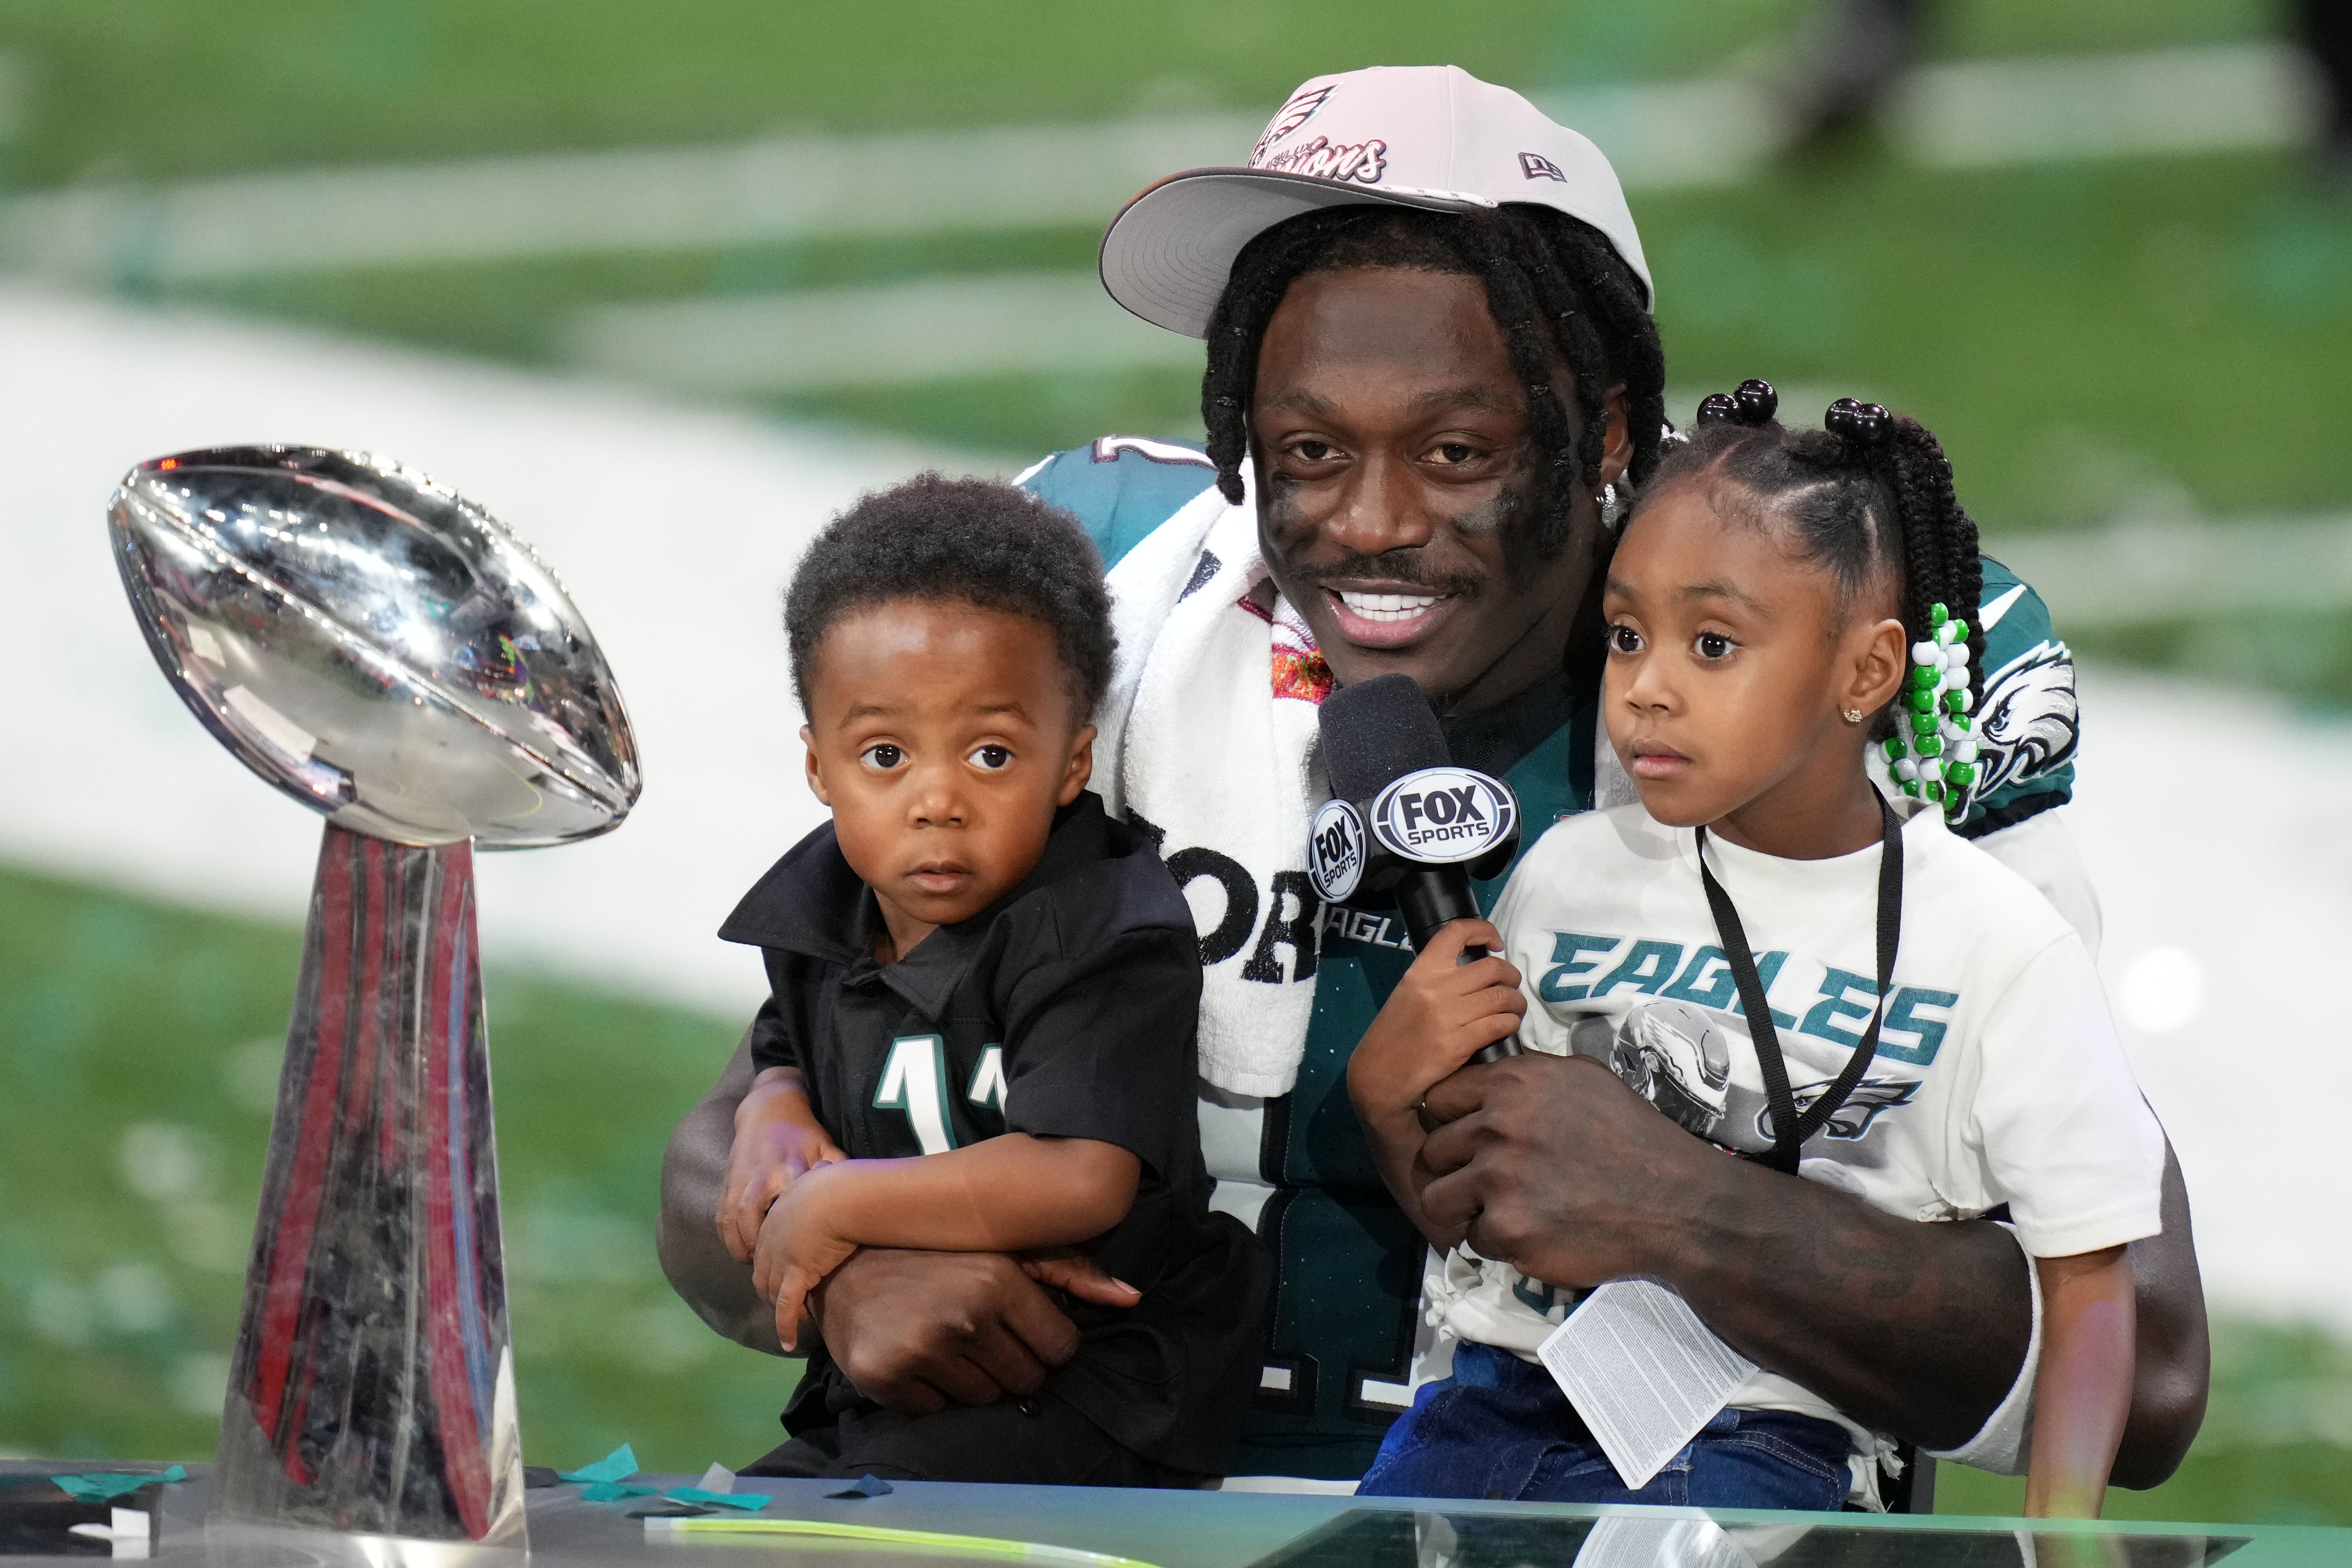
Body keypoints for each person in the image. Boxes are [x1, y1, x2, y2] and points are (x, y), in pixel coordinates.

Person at [660, 65, 2207, 1495]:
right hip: (1109, 1487)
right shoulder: (1104, 590)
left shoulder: (1847, 646)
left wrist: (1698, 1215)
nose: (1372, 524)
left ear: (1604, 431)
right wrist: (833, 1262)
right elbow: (729, 1147)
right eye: (1309, 452)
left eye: (1458, 453)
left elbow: (2147, 1373)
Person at [1347, 383, 2161, 1513]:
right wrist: (1388, 1100)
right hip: (1491, 1407)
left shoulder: (1997, 939)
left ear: (1865, 673)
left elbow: (2090, 1282)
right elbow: (1475, 1215)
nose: (1646, 689)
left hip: (1765, 1438)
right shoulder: (1568, 872)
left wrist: (2060, 1536)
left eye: (1713, 644)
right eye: (1625, 636)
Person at [710, 474, 1270, 1485]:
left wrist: (837, 1201)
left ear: (1072, 764)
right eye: (886, 753)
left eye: (992, 753)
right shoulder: (824, 907)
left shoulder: (1104, 926)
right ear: (819, 766)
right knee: (711, 1530)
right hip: (902, 1387)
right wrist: (772, 1110)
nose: (938, 799)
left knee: (819, 1536)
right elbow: (786, 1043)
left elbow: (1079, 1174)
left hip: (1090, 1390)